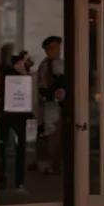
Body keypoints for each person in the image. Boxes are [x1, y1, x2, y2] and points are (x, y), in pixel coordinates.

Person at [0, 46, 30, 193]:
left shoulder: (9, 73)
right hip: (10, 114)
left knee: (12, 147)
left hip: (13, 114)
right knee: (5, 147)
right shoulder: (7, 73)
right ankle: (8, 180)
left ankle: (11, 181)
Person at [37, 35, 67, 175]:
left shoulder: (60, 63)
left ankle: (56, 163)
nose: (58, 50)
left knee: (57, 134)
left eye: (58, 47)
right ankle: (51, 163)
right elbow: (43, 86)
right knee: (51, 133)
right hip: (49, 105)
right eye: (55, 48)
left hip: (59, 105)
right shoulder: (45, 66)